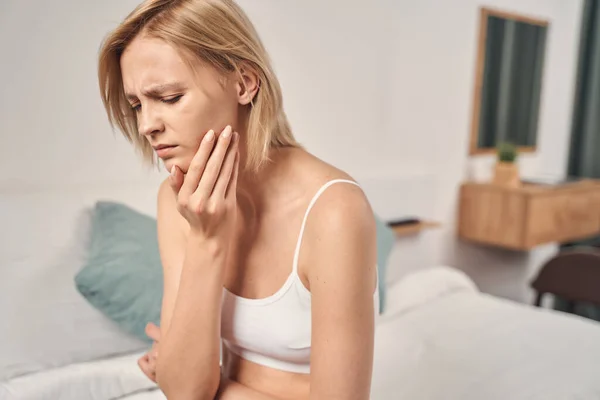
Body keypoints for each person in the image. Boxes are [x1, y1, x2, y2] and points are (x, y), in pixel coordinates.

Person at [98, 1, 378, 399]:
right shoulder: (178, 201)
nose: (147, 125)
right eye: (137, 105)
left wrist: (213, 387)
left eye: (170, 97)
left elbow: (187, 387)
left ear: (244, 83)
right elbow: (181, 391)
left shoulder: (335, 212)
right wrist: (206, 239)